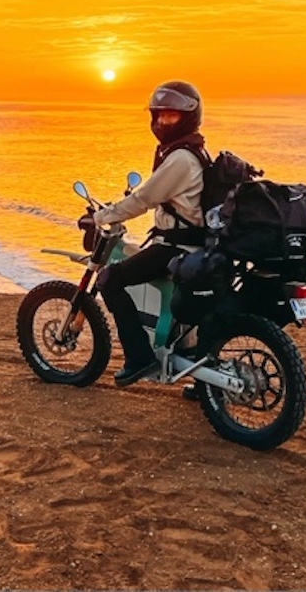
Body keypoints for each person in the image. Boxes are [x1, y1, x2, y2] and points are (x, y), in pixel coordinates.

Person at [87, 80, 209, 386]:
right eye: (159, 115)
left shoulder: (181, 158)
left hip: (177, 246)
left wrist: (101, 215)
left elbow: (144, 199)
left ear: (189, 116)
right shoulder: (193, 151)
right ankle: (202, 377)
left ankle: (139, 357)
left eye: (171, 116)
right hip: (197, 244)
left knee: (110, 280)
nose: (161, 122)